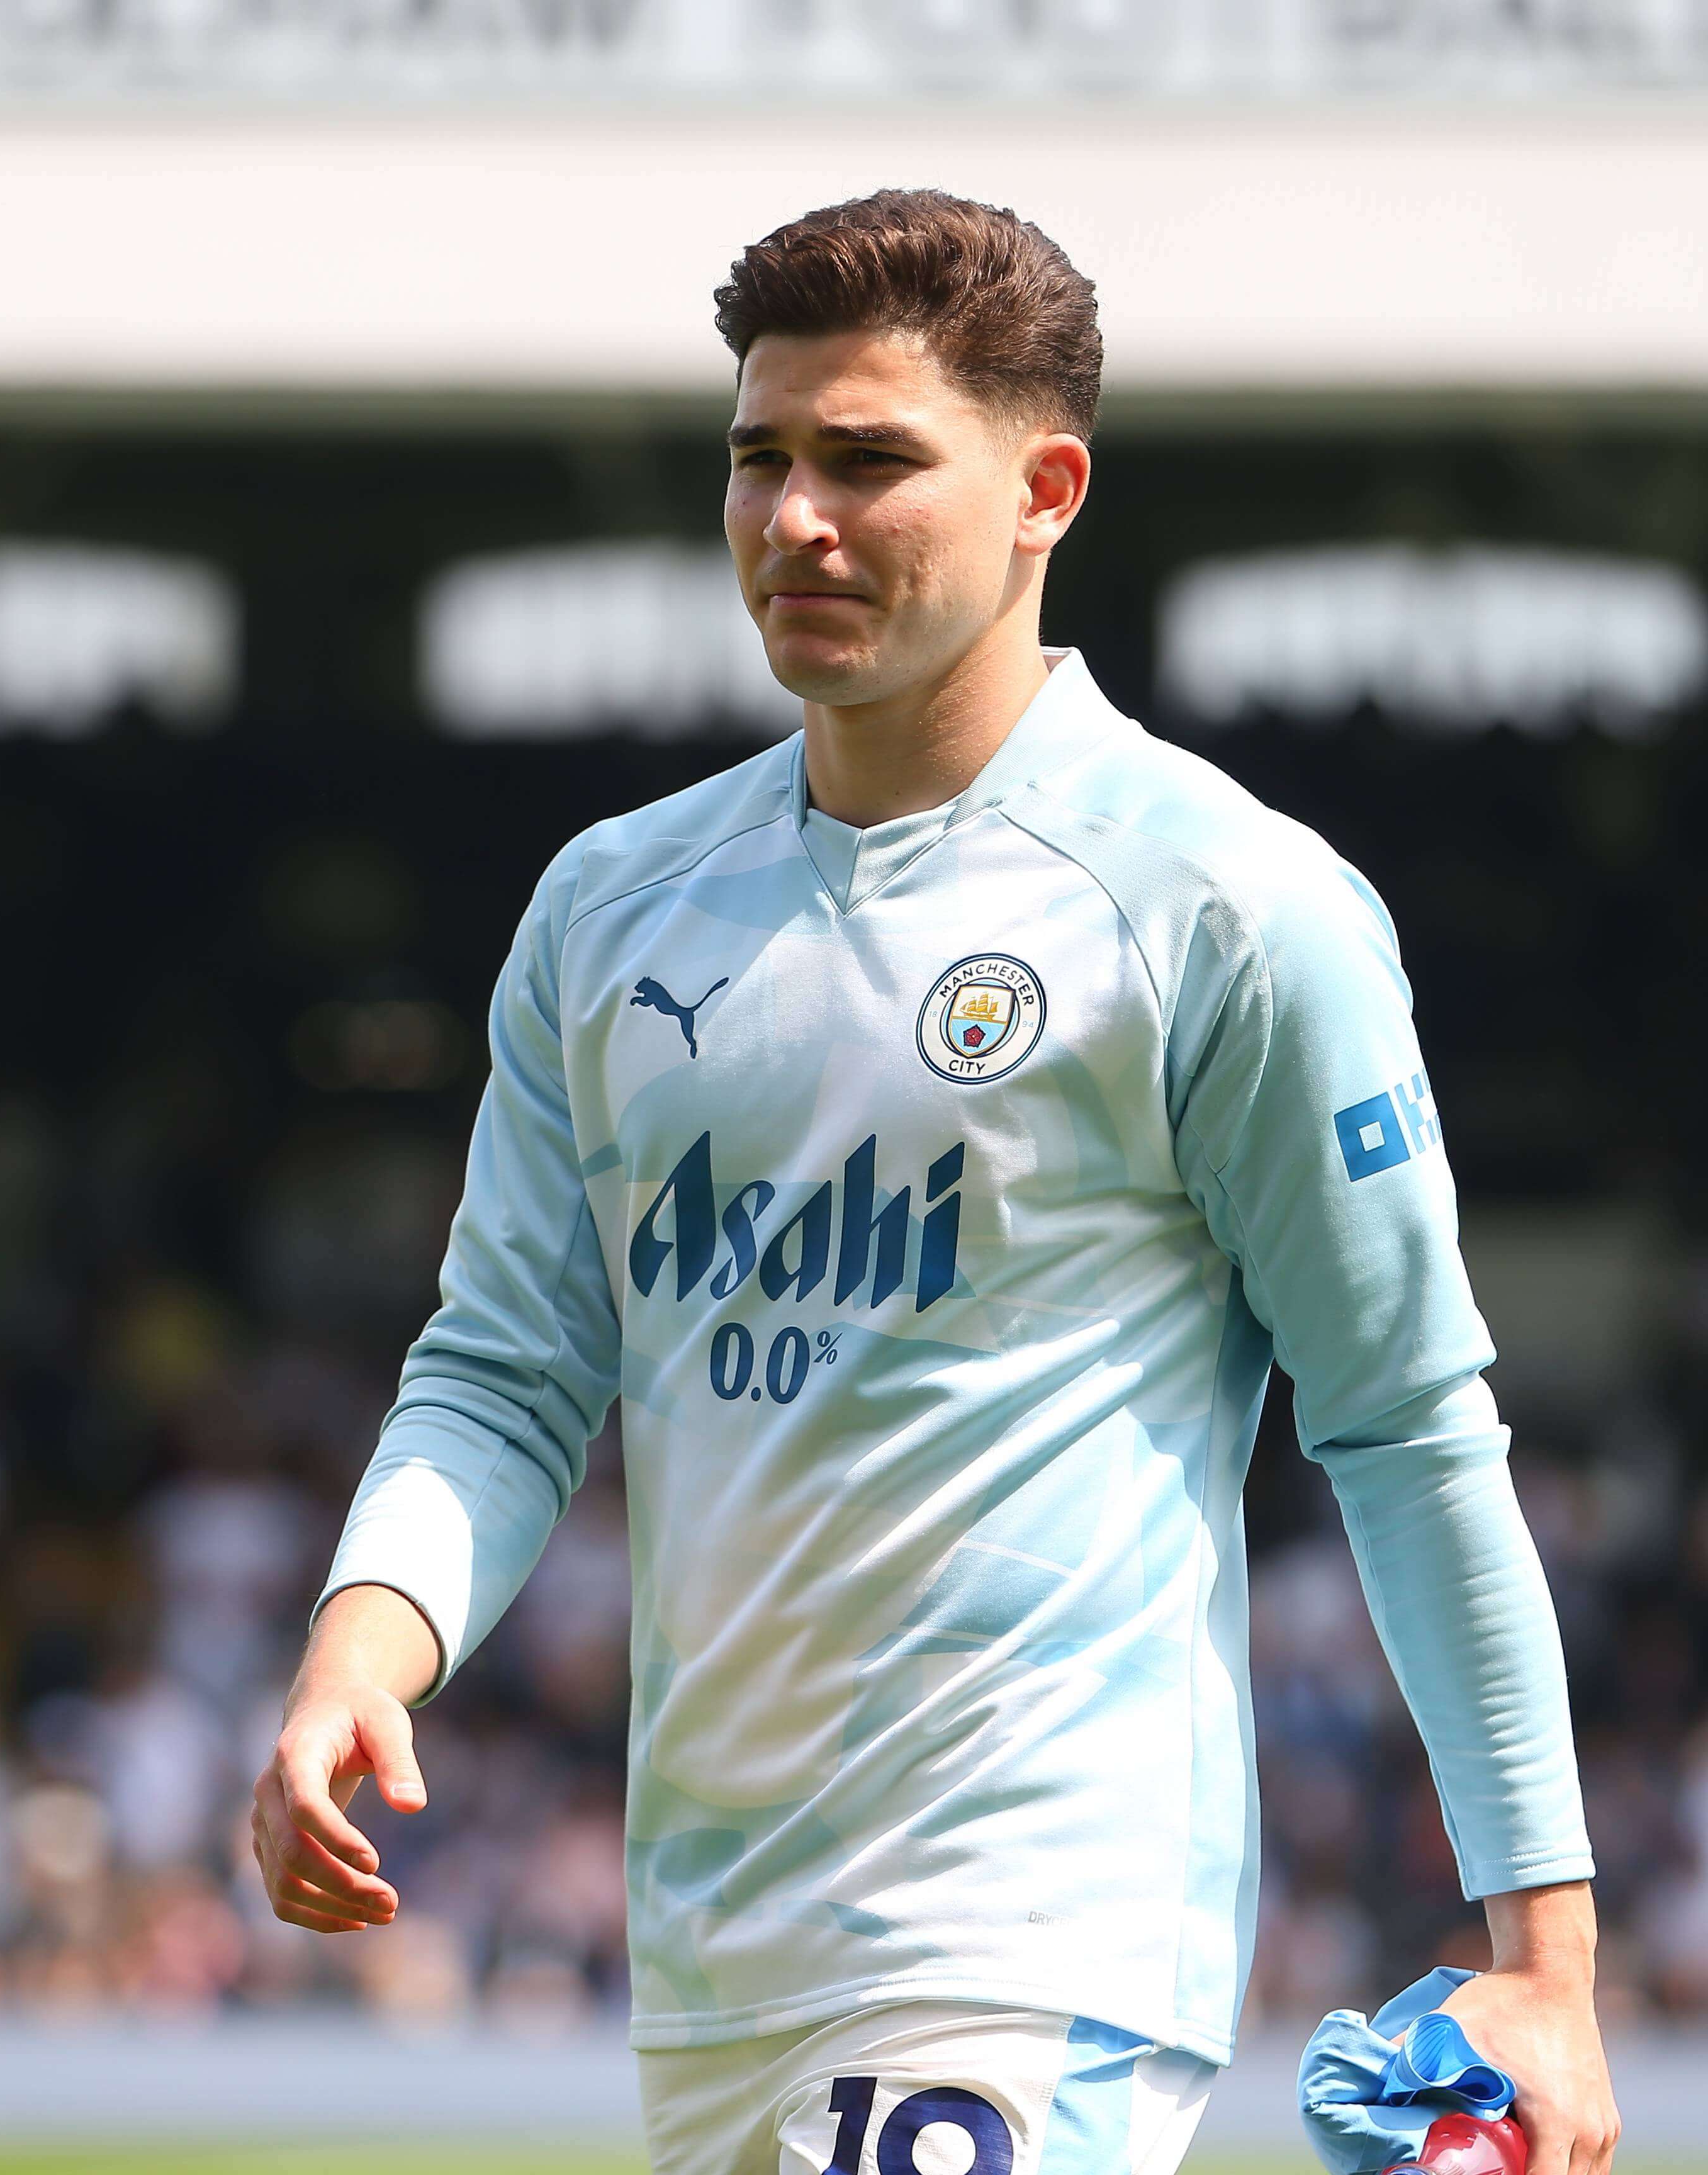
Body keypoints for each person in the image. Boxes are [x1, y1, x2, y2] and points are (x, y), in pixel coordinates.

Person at [251, 189, 1615, 2175]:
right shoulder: (613, 906)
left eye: (871, 461)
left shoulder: (1225, 906)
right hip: (715, 1945)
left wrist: (1548, 1965)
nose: (795, 516)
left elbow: (1409, 1424)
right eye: (759, 457)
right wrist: (352, 1662)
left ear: (1045, 487)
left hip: (1027, 1919)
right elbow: (509, 1368)